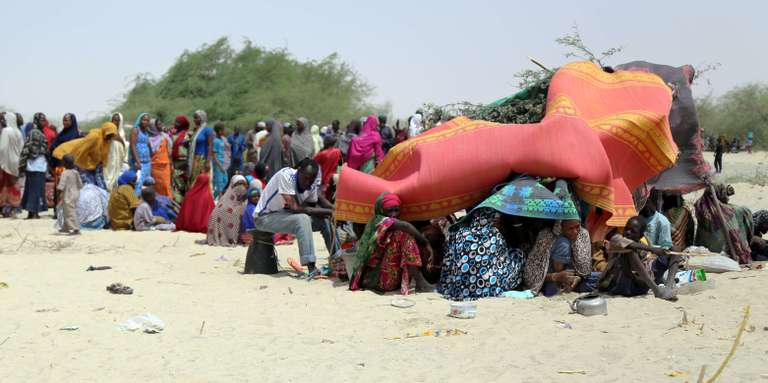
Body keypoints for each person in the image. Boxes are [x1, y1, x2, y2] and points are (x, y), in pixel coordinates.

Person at [252, 158, 336, 272]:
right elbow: (296, 209)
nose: (307, 183)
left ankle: (338, 258)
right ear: (299, 171)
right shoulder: (286, 175)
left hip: (283, 215)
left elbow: (315, 202)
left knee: (324, 220)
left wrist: (334, 210)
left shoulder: (310, 183)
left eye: (310, 180)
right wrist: (330, 212)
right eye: (305, 178)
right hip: (264, 217)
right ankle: (311, 266)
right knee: (303, 219)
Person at [349, 193, 435, 295]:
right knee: (405, 236)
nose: (393, 214)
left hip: (391, 278)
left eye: (396, 210)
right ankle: (421, 282)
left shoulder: (390, 225)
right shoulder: (379, 221)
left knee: (403, 235)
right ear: (381, 210)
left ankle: (421, 281)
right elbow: (406, 226)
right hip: (376, 279)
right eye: (389, 210)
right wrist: (425, 243)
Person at [439, 208, 525, 300]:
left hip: (460, 289)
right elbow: (502, 258)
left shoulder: (461, 233)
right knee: (519, 255)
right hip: (489, 288)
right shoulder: (494, 234)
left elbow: (448, 263)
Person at [598, 216, 681, 300]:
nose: (628, 232)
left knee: (675, 249)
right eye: (626, 229)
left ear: (640, 236)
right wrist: (652, 249)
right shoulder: (616, 239)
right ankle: (657, 291)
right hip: (622, 285)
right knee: (630, 251)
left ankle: (669, 286)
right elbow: (629, 245)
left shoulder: (644, 243)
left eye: (633, 231)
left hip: (641, 284)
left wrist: (660, 252)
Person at [525, 220, 593, 296]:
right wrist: (555, 277)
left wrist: (578, 278)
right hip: (548, 281)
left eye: (577, 227)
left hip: (572, 278)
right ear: (561, 227)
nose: (575, 232)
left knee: (601, 279)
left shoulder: (582, 235)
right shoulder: (552, 239)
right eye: (570, 228)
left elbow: (584, 270)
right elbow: (534, 275)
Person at [694, 184, 753, 264]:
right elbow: (747, 232)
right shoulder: (733, 211)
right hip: (728, 254)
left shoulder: (701, 210)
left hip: (706, 254)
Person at [52, 122, 118, 190]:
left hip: (86, 162)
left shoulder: (107, 141)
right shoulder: (94, 136)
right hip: (67, 153)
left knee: (95, 184)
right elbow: (81, 149)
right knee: (82, 183)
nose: (110, 137)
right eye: (109, 134)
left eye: (112, 135)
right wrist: (75, 165)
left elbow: (102, 157)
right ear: (105, 131)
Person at [18, 116, 50, 219]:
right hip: (36, 165)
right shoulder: (35, 133)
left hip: (36, 165)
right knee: (36, 190)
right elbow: (30, 149)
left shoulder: (36, 132)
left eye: (44, 120)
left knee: (32, 189)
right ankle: (34, 212)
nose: (44, 122)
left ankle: (32, 212)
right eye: (41, 120)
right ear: (36, 121)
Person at [206, 175, 248, 246]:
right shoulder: (226, 203)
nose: (241, 187)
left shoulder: (233, 201)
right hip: (225, 236)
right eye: (239, 184)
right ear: (233, 185)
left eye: (244, 184)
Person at [0, 112, 24, 217]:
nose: (3, 121)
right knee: (14, 184)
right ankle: (14, 207)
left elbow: (2, 148)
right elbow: (22, 147)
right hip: (16, 161)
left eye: (4, 119)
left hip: (6, 160)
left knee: (4, 184)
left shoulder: (6, 130)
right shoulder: (18, 131)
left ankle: (5, 207)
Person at [56, 155, 83, 235]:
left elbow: (61, 185)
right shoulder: (76, 172)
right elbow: (80, 184)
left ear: (64, 163)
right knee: (67, 211)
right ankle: (66, 227)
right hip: (76, 194)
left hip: (68, 195)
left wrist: (58, 193)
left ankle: (75, 229)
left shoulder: (64, 173)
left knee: (69, 213)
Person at [188, 110, 215, 188]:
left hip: (202, 159)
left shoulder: (208, 130)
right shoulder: (195, 131)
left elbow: (210, 146)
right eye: (194, 118)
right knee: (194, 181)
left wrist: (207, 161)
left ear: (202, 118)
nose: (194, 120)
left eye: (196, 118)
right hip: (194, 159)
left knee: (201, 180)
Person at [147, 118, 173, 198]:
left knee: (166, 186)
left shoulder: (165, 137)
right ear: (153, 126)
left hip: (165, 167)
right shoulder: (148, 139)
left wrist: (171, 164)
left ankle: (168, 204)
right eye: (158, 124)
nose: (161, 126)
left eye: (161, 123)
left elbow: (169, 153)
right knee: (156, 187)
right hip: (154, 167)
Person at [130, 113, 153, 195]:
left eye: (147, 120)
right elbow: (132, 145)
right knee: (138, 183)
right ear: (140, 120)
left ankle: (145, 202)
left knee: (147, 183)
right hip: (139, 162)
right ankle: (136, 202)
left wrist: (151, 154)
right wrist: (137, 161)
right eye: (144, 120)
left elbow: (148, 144)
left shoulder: (146, 132)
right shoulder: (135, 130)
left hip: (147, 161)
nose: (145, 122)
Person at [313, 136, 342, 200]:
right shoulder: (338, 151)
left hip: (323, 178)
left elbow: (313, 162)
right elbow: (340, 163)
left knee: (321, 197)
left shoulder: (322, 154)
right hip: (333, 177)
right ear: (334, 143)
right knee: (330, 195)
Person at [171, 115, 192, 202]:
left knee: (183, 184)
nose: (176, 124)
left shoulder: (188, 135)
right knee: (175, 184)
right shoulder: (171, 134)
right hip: (174, 163)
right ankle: (177, 202)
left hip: (184, 163)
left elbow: (191, 149)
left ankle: (182, 203)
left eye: (178, 122)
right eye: (176, 121)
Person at [104, 113, 127, 191]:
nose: (115, 122)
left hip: (119, 157)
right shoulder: (107, 131)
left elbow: (123, 145)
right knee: (108, 171)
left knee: (116, 173)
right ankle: (107, 187)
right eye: (113, 120)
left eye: (117, 120)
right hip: (109, 156)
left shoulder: (122, 132)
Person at [212, 123, 229, 198]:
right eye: (223, 129)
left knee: (225, 180)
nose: (225, 131)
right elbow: (214, 156)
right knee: (219, 182)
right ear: (219, 131)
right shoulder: (215, 141)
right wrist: (220, 166)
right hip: (218, 164)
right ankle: (219, 199)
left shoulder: (221, 139)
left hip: (222, 164)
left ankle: (213, 196)